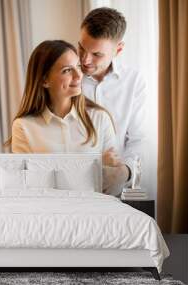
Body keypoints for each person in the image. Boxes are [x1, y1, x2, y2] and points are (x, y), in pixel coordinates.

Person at [6, 40, 124, 173]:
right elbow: (26, 183)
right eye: (67, 70)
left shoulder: (100, 118)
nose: (78, 75)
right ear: (45, 80)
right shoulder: (23, 127)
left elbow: (114, 180)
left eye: (78, 66)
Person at [79, 7, 146, 189]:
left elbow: (138, 140)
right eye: (81, 48)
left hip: (118, 189)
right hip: (75, 187)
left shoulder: (134, 82)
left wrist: (125, 172)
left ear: (119, 49)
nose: (85, 60)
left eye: (97, 54)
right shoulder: (68, 78)